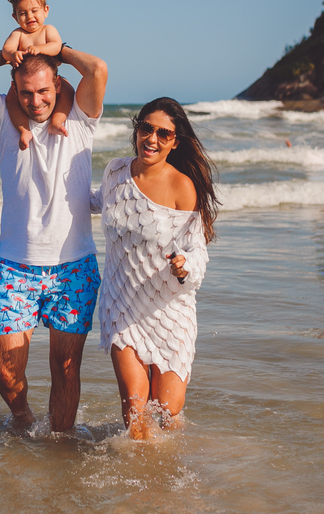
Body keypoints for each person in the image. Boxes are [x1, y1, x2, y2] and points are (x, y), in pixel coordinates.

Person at [0, 40, 107, 432]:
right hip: (15, 267)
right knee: (7, 371)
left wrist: (57, 50)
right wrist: (5, 56)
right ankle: (24, 421)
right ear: (14, 91)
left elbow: (97, 70)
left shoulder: (80, 117)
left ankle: (61, 444)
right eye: (25, 93)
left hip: (73, 268)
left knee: (66, 369)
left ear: (58, 85)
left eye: (43, 91)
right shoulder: (5, 118)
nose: (35, 101)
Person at [93, 97, 219, 439]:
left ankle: (170, 464)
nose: (152, 139)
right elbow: (98, 201)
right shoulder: (116, 172)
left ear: (175, 142)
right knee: (135, 411)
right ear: (137, 130)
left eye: (164, 134)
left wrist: (184, 265)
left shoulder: (182, 186)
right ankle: (138, 469)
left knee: (167, 412)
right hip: (121, 304)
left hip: (168, 309)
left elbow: (197, 250)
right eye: (146, 129)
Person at [1, 0, 74, 151]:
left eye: (34, 11)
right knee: (11, 100)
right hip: (24, 83)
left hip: (48, 79)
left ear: (45, 10)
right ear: (15, 17)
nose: (30, 17)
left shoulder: (48, 30)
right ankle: (24, 130)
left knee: (68, 91)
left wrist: (40, 49)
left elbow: (56, 46)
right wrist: (13, 54)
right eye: (23, 13)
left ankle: (56, 122)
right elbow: (6, 50)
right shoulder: (18, 34)